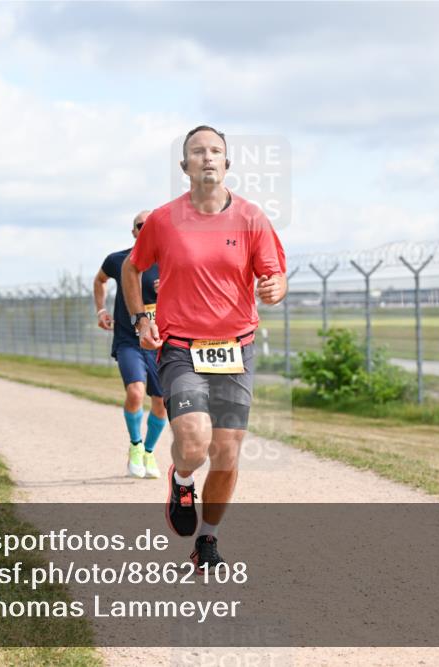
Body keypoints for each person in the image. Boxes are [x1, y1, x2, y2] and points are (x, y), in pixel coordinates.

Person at [122, 125, 287, 571]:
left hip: (236, 347)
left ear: (227, 163)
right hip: (180, 346)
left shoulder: (252, 218)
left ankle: (208, 539)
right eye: (198, 151)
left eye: (216, 151)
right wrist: (142, 319)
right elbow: (131, 269)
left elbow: (274, 275)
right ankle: (180, 478)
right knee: (194, 442)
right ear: (185, 166)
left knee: (228, 452)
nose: (208, 157)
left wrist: (275, 288)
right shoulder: (163, 220)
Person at [94, 210, 168, 479]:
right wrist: (101, 311)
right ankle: (135, 446)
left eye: (151, 225)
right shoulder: (118, 260)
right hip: (129, 339)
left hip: (160, 342)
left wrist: (171, 286)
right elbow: (99, 280)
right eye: (140, 225)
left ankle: (149, 451)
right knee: (136, 393)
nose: (145, 228)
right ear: (134, 231)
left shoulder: (170, 261)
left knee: (161, 403)